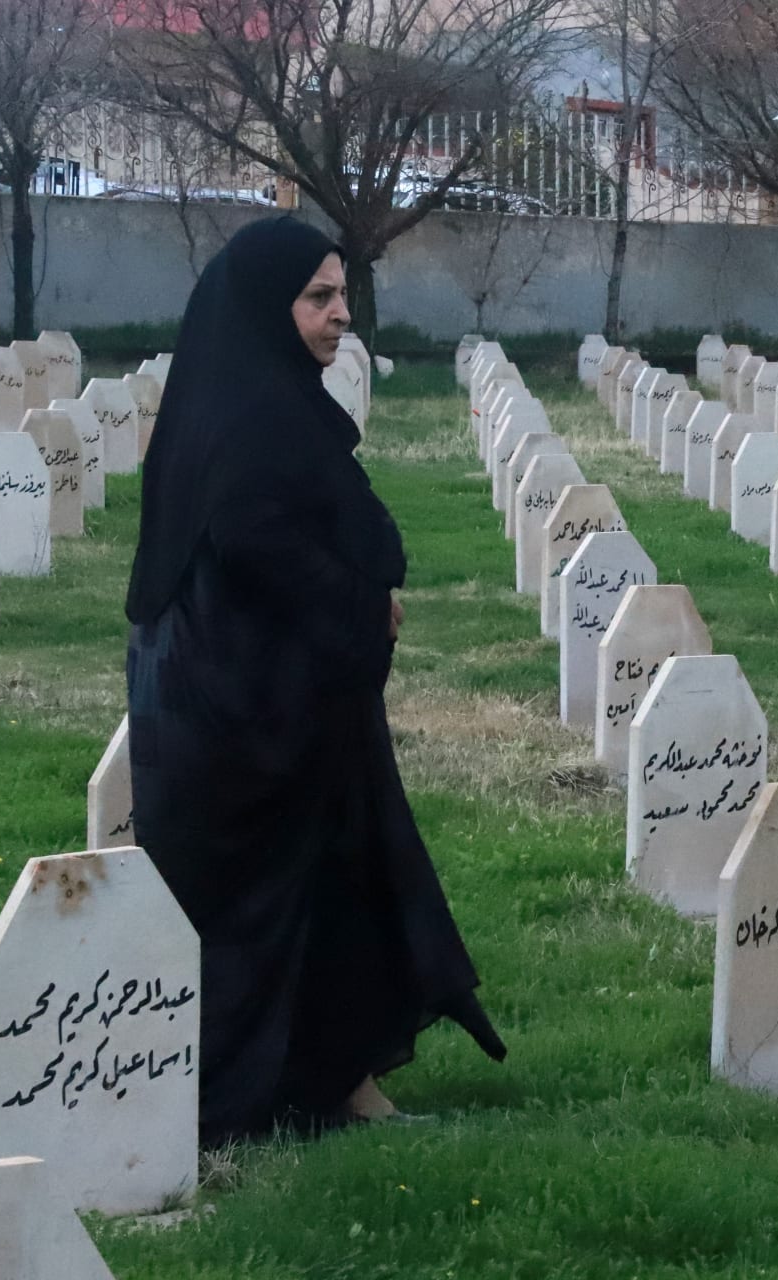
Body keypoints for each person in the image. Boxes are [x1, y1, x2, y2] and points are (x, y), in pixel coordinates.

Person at [124, 217, 506, 1143]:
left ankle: (342, 1085)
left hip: (282, 696)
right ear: (269, 307)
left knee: (341, 885)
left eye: (340, 294)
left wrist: (361, 601)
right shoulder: (252, 419)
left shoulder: (264, 401)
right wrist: (361, 608)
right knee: (267, 907)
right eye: (318, 297)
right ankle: (239, 1103)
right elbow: (259, 546)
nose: (341, 315)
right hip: (246, 713)